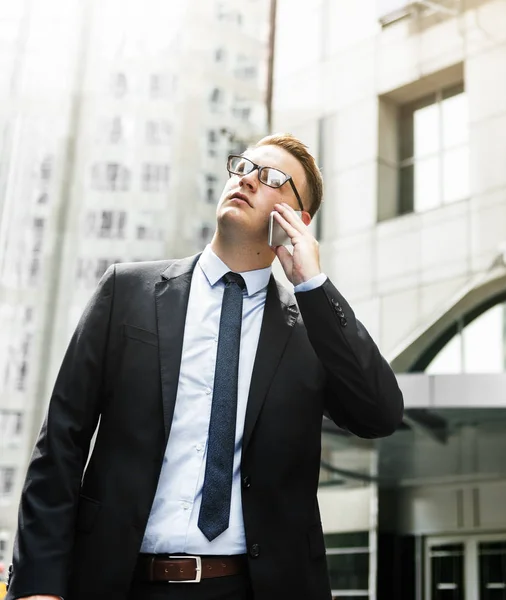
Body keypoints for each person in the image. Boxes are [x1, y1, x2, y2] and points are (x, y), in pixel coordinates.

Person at [7, 133, 403, 600]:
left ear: (298, 219)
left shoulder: (312, 332)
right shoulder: (127, 292)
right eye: (243, 168)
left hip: (252, 587)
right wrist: (38, 586)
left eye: (272, 178)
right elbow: (60, 442)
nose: (249, 181)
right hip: (119, 580)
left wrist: (312, 284)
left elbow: (379, 415)